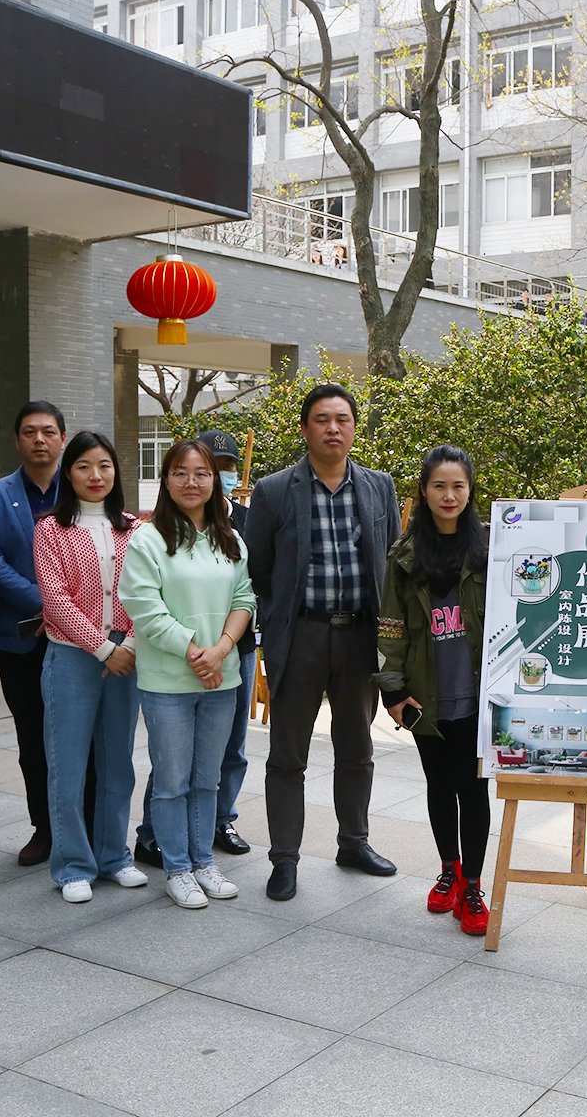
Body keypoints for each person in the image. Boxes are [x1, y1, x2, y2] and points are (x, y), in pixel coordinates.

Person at [246, 384, 402, 902]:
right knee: (287, 754)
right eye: (321, 419)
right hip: (302, 636)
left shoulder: (379, 487)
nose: (333, 428)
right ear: (305, 428)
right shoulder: (273, 491)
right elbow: (260, 569)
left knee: (356, 748)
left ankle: (353, 843)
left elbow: (391, 563)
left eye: (342, 419)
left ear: (354, 427)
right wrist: (277, 624)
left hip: (360, 635)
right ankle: (284, 860)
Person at [119, 439, 256, 909]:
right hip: (168, 682)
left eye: (201, 473)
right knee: (172, 780)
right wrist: (196, 652)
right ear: (166, 480)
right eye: (180, 473)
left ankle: (203, 862)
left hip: (222, 678)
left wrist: (221, 651)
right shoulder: (148, 539)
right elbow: (144, 607)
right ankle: (177, 868)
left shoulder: (230, 539)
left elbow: (244, 600)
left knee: (207, 780)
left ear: (214, 480)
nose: (191, 482)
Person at [376, 445, 494, 936]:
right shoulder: (404, 556)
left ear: (470, 490)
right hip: (426, 695)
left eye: (458, 486)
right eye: (439, 485)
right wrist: (393, 692)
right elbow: (389, 628)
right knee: (440, 787)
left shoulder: (492, 549)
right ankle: (449, 871)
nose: (449, 495)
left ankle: (474, 887)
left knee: (475, 790)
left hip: (479, 695)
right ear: (424, 491)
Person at [33, 431, 148, 902]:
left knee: (118, 763)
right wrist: (103, 649)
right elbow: (56, 600)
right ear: (68, 473)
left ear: (116, 471)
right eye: (83, 466)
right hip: (72, 658)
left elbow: (148, 592)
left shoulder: (135, 529)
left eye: (104, 465)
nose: (95, 475)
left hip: (129, 657)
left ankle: (113, 856)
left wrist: (130, 644)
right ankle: (73, 866)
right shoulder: (50, 529)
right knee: (67, 766)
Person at [0, 401, 74, 866]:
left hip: (81, 636)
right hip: (21, 637)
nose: (39, 439)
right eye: (30, 432)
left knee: (82, 736)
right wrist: (47, 602)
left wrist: (69, 611)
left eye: (48, 431)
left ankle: (86, 825)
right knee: (33, 738)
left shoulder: (82, 487)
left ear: (62, 439)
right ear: (16, 440)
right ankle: (45, 829)